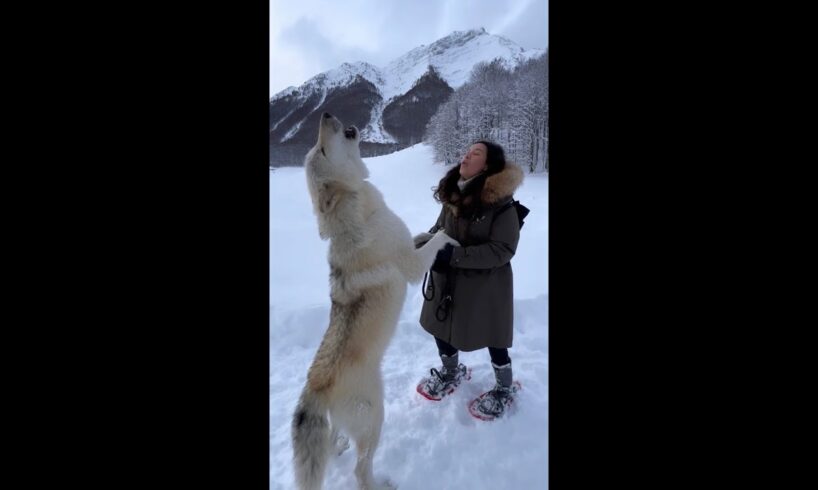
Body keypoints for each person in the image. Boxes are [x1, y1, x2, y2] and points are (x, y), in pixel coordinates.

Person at [413, 140, 524, 420]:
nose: (466, 155)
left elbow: (503, 250)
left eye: (475, 153)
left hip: (484, 286)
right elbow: (440, 227)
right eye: (466, 150)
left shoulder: (501, 204)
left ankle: (504, 388)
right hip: (446, 279)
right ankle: (451, 372)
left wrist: (454, 255)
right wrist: (423, 244)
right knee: (441, 326)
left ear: (486, 166)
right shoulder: (454, 193)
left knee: (493, 336)